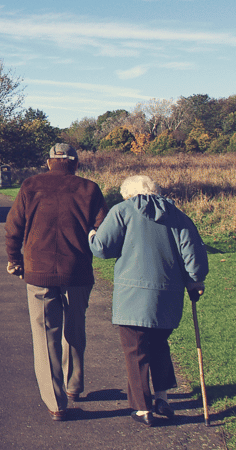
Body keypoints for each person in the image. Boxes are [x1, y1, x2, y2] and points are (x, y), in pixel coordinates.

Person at [89, 175, 208, 426]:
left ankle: (142, 408)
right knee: (159, 344)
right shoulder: (178, 215)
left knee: (136, 350)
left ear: (128, 194)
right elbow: (193, 255)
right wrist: (195, 281)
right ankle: (162, 398)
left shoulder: (122, 211)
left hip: (132, 296)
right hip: (168, 295)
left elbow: (102, 248)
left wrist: (91, 235)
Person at [5, 143, 108, 421]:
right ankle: (74, 385)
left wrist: (14, 259)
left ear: (49, 162)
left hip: (38, 271)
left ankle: (55, 403)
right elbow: (103, 229)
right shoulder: (90, 189)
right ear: (76, 163)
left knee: (45, 335)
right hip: (77, 271)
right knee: (75, 328)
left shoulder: (30, 186)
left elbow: (13, 227)